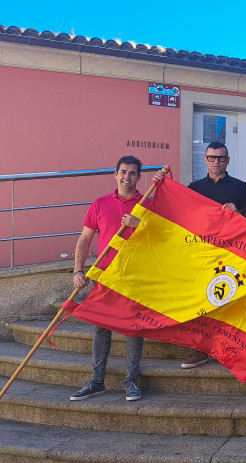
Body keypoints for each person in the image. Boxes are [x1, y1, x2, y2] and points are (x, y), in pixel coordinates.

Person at [70, 156, 147, 402]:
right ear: (115, 174)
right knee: (101, 329)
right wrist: (78, 271)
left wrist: (141, 224)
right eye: (123, 172)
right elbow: (84, 239)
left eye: (132, 173)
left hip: (135, 276)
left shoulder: (148, 204)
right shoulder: (100, 204)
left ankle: (131, 381)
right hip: (104, 275)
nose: (127, 177)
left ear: (138, 177)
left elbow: (164, 239)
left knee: (133, 330)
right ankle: (96, 381)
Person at [179, 141, 246, 369]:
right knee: (201, 300)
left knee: (229, 300)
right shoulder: (194, 188)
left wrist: (238, 212)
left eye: (220, 158)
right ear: (205, 160)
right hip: (202, 253)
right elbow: (183, 218)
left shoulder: (241, 187)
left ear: (228, 161)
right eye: (212, 157)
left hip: (231, 253)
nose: (216, 161)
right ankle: (198, 350)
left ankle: (229, 346)